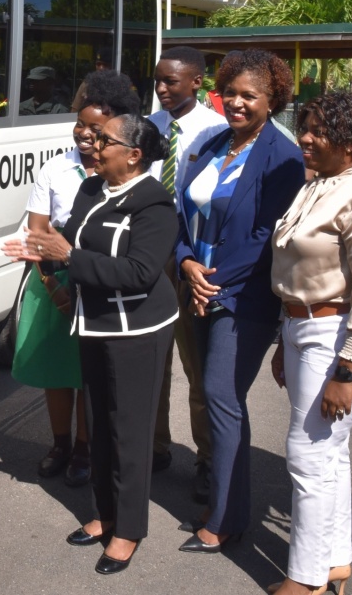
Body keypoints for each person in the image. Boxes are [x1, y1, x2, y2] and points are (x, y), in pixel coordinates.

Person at [3, 114, 178, 576]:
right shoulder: (89, 189)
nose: (93, 145)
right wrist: (38, 251)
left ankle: (129, 529)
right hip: (93, 321)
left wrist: (69, 257)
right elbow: (64, 242)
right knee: (98, 423)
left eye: (105, 140)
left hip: (137, 329)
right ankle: (105, 513)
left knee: (129, 430)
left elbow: (141, 272)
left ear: (134, 155)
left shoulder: (154, 203)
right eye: (94, 137)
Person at [267, 92, 352, 595]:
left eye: (318, 130)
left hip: (344, 337)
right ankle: (334, 563)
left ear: (350, 141)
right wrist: (286, 340)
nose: (305, 137)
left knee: (307, 456)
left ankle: (306, 580)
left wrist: (346, 371)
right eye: (304, 126)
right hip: (305, 329)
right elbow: (299, 271)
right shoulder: (320, 185)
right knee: (329, 454)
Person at [173, 50, 305, 554]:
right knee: (212, 397)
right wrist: (187, 262)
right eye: (230, 93)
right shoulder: (211, 144)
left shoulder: (283, 158)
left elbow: (267, 238)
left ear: (272, 102)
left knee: (222, 398)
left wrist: (214, 286)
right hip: (198, 286)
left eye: (250, 96)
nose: (236, 103)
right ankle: (224, 501)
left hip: (242, 299)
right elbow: (184, 215)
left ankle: (228, 518)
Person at [11, 70, 141, 487]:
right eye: (81, 124)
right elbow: (38, 234)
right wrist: (54, 288)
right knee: (55, 372)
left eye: (97, 128)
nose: (85, 134)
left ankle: (86, 447)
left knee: (89, 374)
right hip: (51, 281)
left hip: (99, 281)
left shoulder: (126, 173)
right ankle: (60, 443)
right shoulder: (56, 169)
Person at [148, 45, 228, 497]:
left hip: (193, 259)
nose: (161, 89)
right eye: (157, 81)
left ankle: (208, 459)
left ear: (197, 82)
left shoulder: (216, 132)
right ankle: (156, 446)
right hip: (149, 257)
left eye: (171, 82)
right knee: (153, 361)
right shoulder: (150, 126)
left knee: (197, 366)